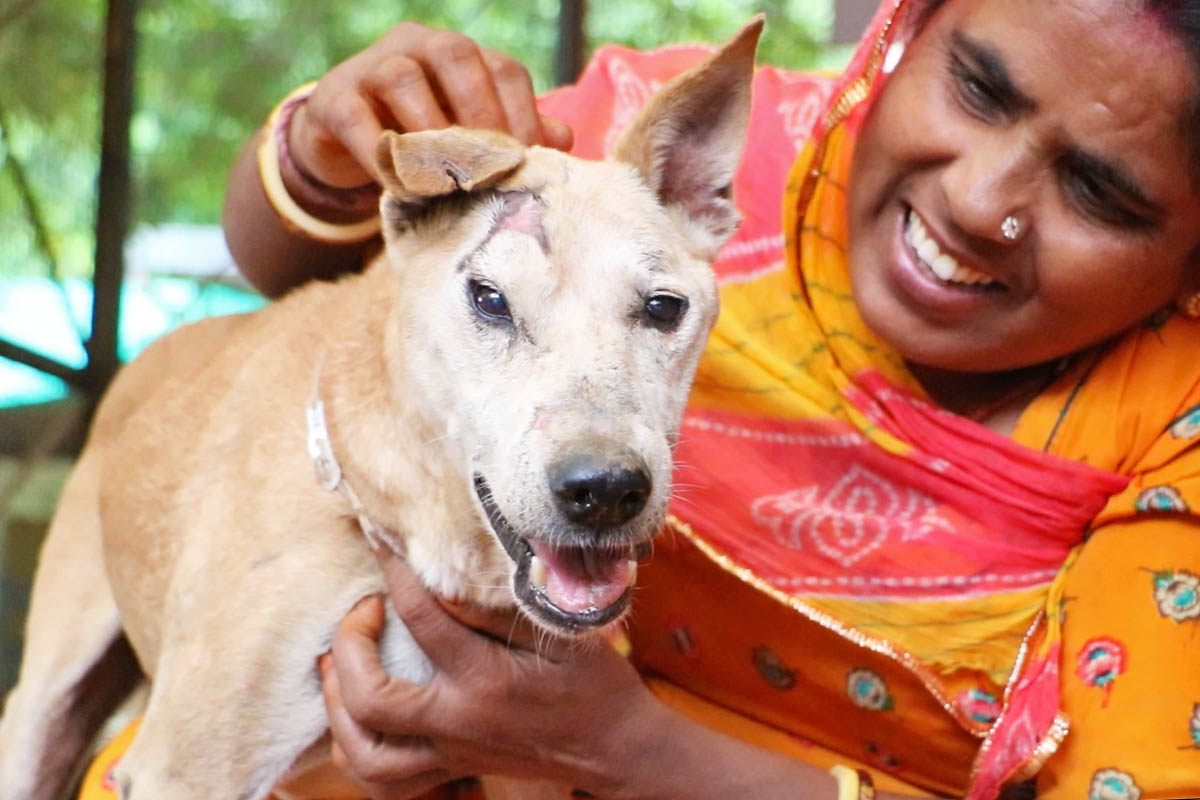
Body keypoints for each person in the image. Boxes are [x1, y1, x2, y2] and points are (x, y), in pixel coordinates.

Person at [81, 0, 1200, 798]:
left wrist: (625, 750)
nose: (977, 201)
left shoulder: (1175, 423)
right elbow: (344, 280)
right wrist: (326, 150)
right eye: (977, 85)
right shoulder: (656, 157)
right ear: (902, 32)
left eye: (1099, 190)